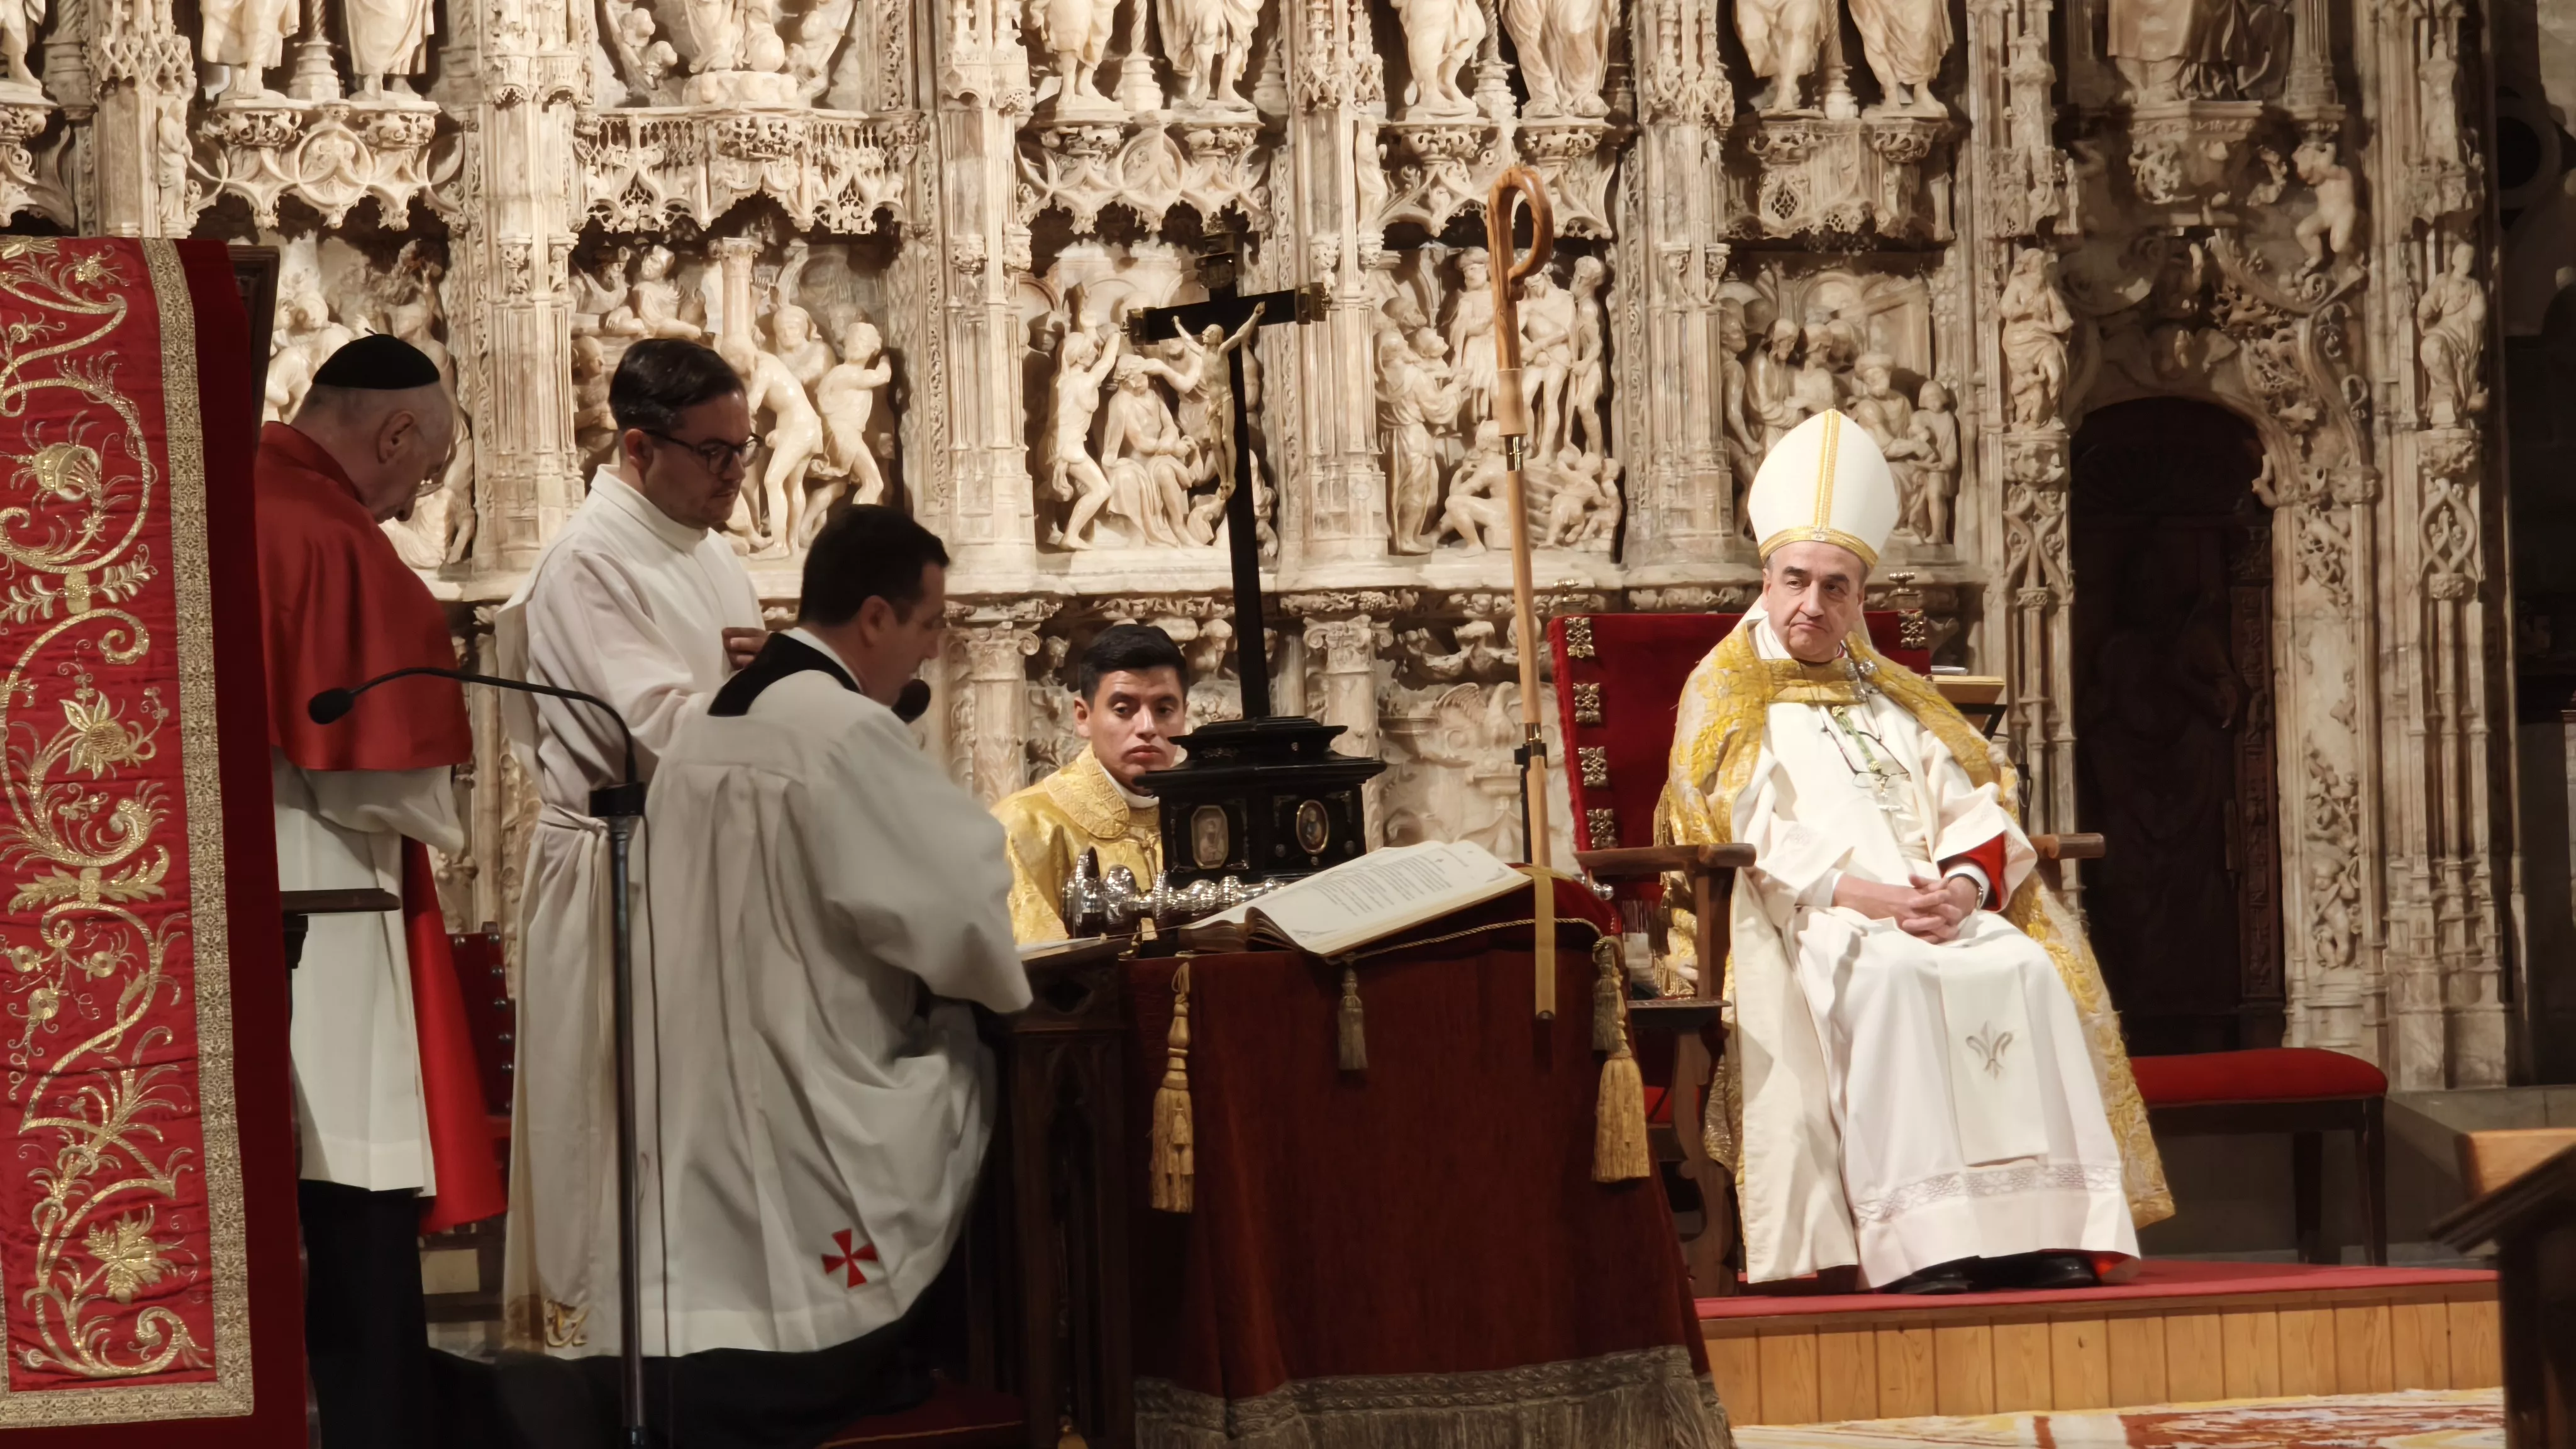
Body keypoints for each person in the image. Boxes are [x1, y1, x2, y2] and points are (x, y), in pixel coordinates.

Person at [1658, 409, 2172, 1296]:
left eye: (1835, 587)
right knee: (1896, 980)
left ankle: (2040, 1230)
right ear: (1766, 580)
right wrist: (1877, 900)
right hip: (1813, 922)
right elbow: (1742, 835)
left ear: (1861, 598)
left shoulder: (1891, 696)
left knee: (2024, 968)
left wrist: (1969, 887)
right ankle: (1924, 1242)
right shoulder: (1725, 692)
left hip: (1933, 910)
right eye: (1796, 581)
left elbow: (1972, 802)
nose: (1812, 605)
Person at [632, 505, 1029, 1443]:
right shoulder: (840, 729)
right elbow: (958, 898)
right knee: (969, 1065)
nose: (930, 654)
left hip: (696, 1060)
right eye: (930, 625)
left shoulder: (706, 723)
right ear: (877, 618)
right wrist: (994, 992)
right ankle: (928, 1357)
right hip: (806, 1051)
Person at [495, 338, 767, 1358]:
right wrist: (783, 685)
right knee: (618, 1135)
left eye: (745, 449)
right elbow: (667, 728)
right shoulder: (593, 559)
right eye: (717, 454)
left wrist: (772, 678)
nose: (737, 474)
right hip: (622, 868)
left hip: (693, 871)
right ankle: (610, 1371)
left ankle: (704, 1356)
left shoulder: (706, 544)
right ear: (640, 446)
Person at [256, 334, 504, 1447]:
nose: (418, 496)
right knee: (352, 1206)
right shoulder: (325, 531)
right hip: (323, 911)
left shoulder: (215, 497)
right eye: (429, 468)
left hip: (222, 912)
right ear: (394, 432)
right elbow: (382, 776)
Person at [993, 623, 1188, 941]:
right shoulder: (1023, 827)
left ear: (1185, 715)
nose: (1147, 727)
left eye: (1164, 709)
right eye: (1123, 709)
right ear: (1083, 717)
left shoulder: (1205, 822)